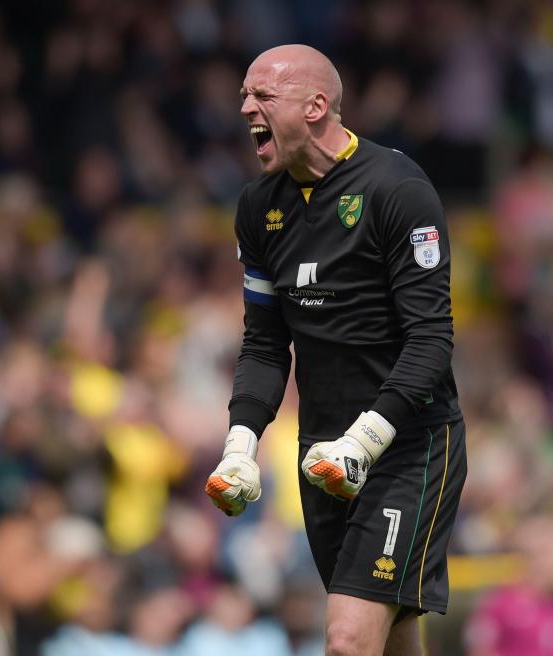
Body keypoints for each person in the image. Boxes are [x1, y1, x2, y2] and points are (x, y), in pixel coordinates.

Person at [205, 44, 467, 656]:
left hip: (407, 445)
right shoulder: (257, 208)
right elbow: (265, 345)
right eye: (244, 94)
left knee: (348, 639)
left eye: (263, 96)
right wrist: (241, 445)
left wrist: (365, 441)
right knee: (392, 636)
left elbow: (432, 340)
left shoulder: (397, 188)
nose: (245, 108)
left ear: (317, 105)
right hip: (320, 451)